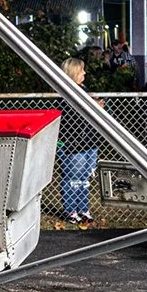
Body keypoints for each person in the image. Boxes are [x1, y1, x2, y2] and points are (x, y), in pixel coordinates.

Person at [55, 56, 100, 226]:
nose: (85, 73)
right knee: (73, 177)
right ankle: (70, 210)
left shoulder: (84, 90)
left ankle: (83, 208)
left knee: (84, 178)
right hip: (73, 143)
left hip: (89, 140)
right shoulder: (66, 92)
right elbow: (71, 115)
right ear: (73, 72)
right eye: (81, 70)